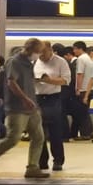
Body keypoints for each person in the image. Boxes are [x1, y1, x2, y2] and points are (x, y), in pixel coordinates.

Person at [0, 38, 49, 179]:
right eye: (37, 52)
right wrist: (25, 99)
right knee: (13, 138)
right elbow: (11, 82)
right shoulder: (14, 61)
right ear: (30, 50)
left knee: (39, 137)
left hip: (32, 107)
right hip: (17, 107)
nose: (39, 55)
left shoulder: (29, 63)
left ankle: (32, 167)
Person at [34, 41, 71, 171]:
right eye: (39, 53)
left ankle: (58, 160)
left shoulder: (60, 62)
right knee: (38, 132)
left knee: (55, 131)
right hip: (37, 98)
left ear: (50, 50)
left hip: (53, 98)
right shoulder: (34, 61)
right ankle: (41, 160)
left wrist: (49, 80)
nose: (41, 56)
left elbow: (66, 80)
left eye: (43, 53)